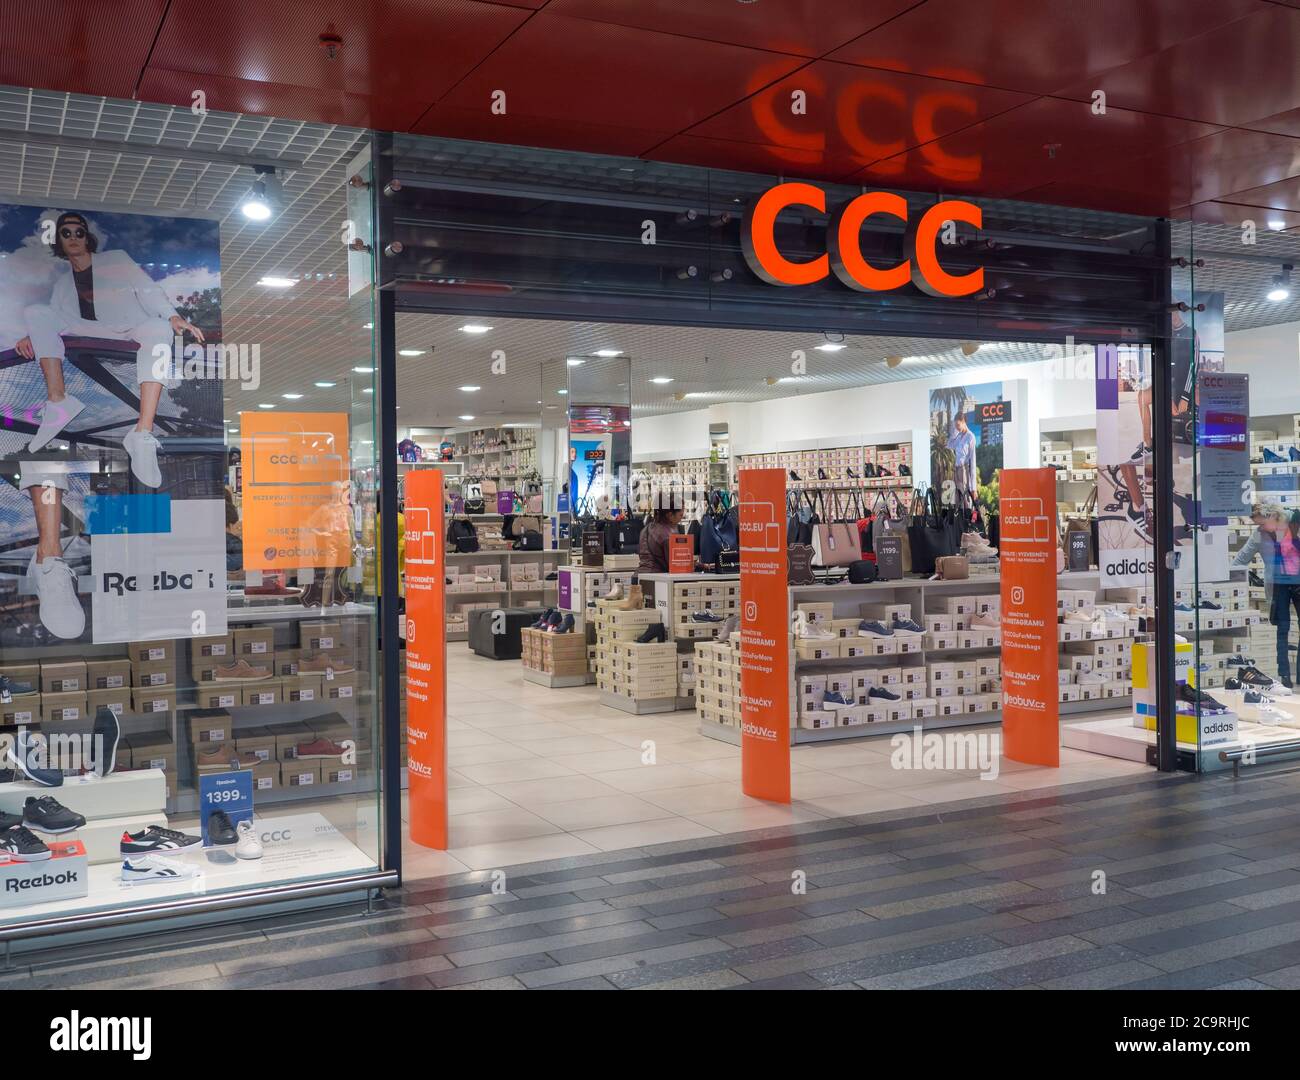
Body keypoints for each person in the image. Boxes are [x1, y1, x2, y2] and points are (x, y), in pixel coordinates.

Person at [14, 211, 205, 485]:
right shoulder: (62, 283)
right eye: (66, 233)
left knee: (159, 328)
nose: (73, 237)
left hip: (129, 325)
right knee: (35, 311)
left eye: (78, 232)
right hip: (86, 328)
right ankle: (59, 402)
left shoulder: (115, 259)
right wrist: (30, 334)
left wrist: (173, 315)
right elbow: (52, 317)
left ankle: (142, 434)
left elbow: (148, 289)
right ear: (59, 240)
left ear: (87, 237)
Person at [1268, 509, 1300, 689]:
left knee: (1284, 630)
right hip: (1281, 585)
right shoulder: (1279, 537)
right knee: (1283, 629)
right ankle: (1284, 673)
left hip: (1296, 584)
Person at [1233, 502, 1280, 606]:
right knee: (1279, 620)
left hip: (1295, 583)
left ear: (1273, 516)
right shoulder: (1258, 534)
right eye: (1258, 525)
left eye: (1262, 524)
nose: (1261, 528)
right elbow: (1241, 559)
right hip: (1274, 587)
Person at [639, 507, 684, 573]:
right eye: (680, 514)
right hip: (656, 578)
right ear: (670, 515)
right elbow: (676, 563)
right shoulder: (667, 534)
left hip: (640, 575)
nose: (682, 516)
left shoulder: (646, 528)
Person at [949, 412, 977, 497]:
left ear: (963, 422)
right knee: (958, 498)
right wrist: (954, 432)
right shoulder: (958, 436)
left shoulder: (970, 436)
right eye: (955, 425)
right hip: (956, 469)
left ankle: (968, 510)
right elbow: (949, 445)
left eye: (958, 425)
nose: (957, 427)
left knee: (966, 499)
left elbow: (973, 461)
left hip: (964, 470)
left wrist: (973, 488)